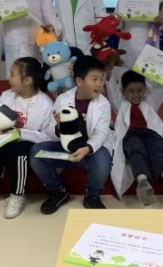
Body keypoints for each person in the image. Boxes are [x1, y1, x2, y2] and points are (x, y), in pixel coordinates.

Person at [31, 56, 113, 213]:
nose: (99, 84)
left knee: (103, 157)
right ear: (79, 81)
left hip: (88, 153)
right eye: (94, 79)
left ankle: (92, 196)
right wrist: (59, 127)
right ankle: (58, 191)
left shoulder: (103, 104)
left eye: (102, 79)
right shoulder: (63, 99)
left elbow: (101, 134)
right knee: (36, 152)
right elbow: (49, 130)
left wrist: (87, 149)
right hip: (66, 151)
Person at [0, 57, 56, 219]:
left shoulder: (45, 104)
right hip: (4, 138)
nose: (9, 79)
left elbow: (48, 136)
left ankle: (17, 195)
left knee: (19, 152)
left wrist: (22, 134)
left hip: (27, 143)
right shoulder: (6, 96)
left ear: (27, 80)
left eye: (13, 75)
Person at [107, 0, 163, 112]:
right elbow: (117, 26)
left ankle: (148, 118)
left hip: (150, 50)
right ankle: (124, 119)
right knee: (125, 86)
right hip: (127, 49)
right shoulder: (123, 0)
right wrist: (117, 20)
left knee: (149, 89)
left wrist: (162, 19)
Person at [110, 70, 163, 206]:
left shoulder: (150, 101)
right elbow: (112, 91)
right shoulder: (121, 104)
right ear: (124, 92)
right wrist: (109, 73)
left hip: (151, 134)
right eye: (131, 91)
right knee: (136, 150)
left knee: (157, 149)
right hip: (131, 135)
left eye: (140, 90)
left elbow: (162, 90)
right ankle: (143, 183)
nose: (136, 95)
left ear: (145, 89)